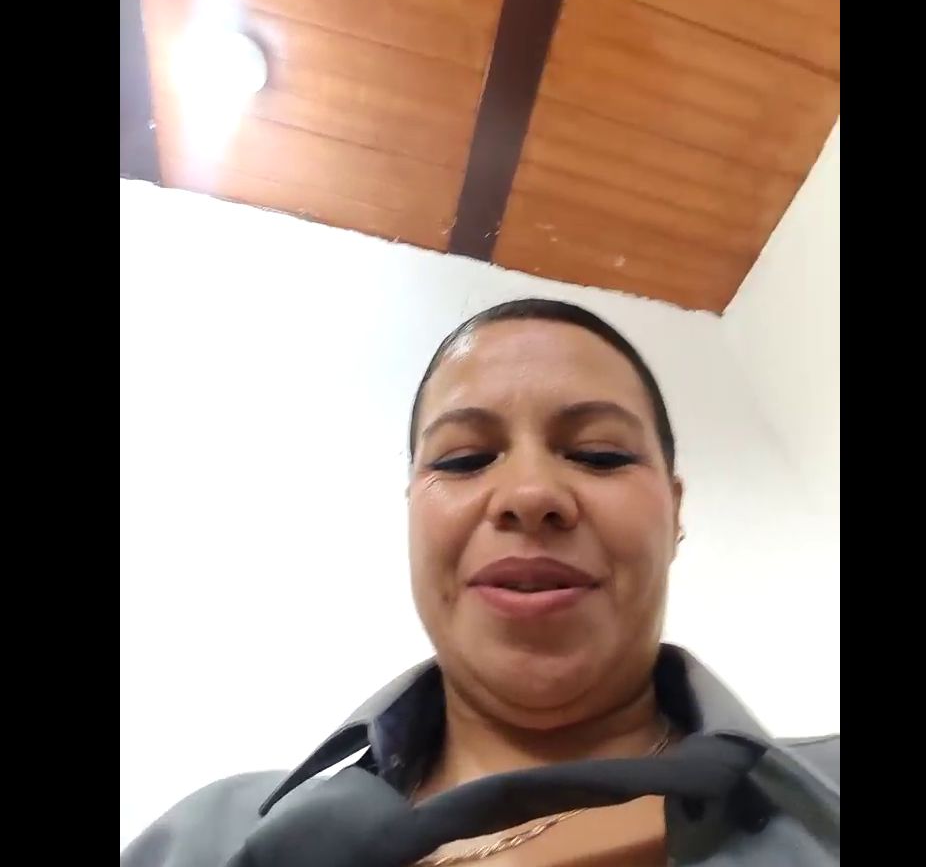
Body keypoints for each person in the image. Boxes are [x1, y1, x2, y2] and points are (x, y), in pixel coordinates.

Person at [121, 299, 839, 867]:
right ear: (412, 512)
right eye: (463, 460)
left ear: (676, 511)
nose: (529, 494)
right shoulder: (201, 842)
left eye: (599, 453)